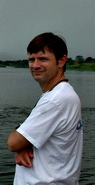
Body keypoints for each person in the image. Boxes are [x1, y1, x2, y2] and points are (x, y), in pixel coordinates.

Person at [7, 32, 83, 184]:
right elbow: (24, 139)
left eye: (43, 59)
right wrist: (24, 144)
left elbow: (13, 142)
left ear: (61, 61)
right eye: (31, 59)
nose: (35, 65)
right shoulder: (61, 93)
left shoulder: (55, 100)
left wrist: (21, 144)